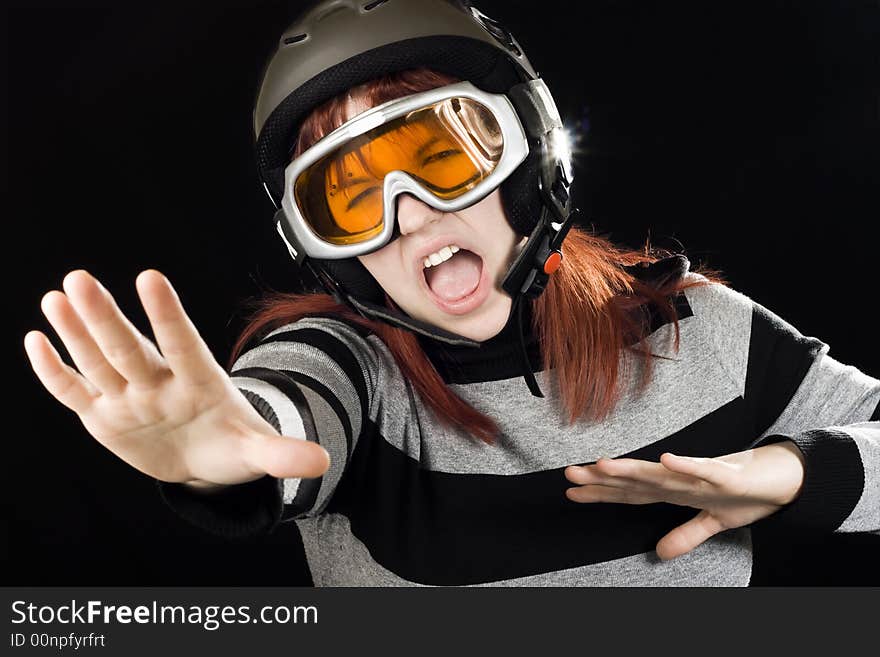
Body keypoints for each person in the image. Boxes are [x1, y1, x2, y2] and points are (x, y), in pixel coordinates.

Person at [24, 0, 879, 586]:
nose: (409, 214)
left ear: (529, 154)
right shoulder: (346, 369)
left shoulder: (699, 330)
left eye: (441, 156)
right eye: (352, 196)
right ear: (318, 242)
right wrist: (233, 452)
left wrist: (790, 469)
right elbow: (281, 412)